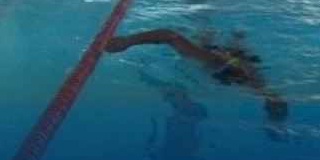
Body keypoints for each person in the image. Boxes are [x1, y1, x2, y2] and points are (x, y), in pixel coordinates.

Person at [105, 28, 288, 122]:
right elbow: (273, 98)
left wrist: (128, 41)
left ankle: (234, 39)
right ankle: (235, 39)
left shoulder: (213, 61)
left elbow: (170, 36)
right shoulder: (219, 62)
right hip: (230, 68)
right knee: (220, 45)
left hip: (227, 67)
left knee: (215, 45)